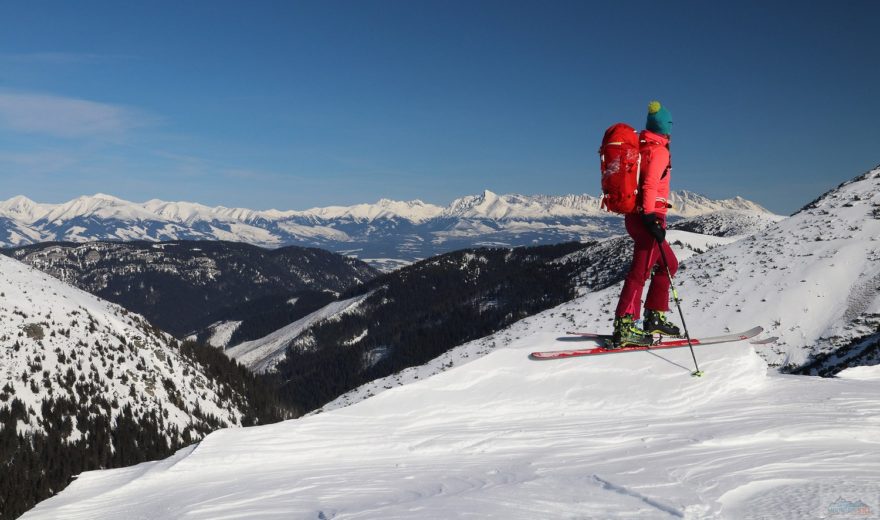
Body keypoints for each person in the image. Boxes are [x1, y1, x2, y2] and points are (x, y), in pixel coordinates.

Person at [611, 101, 682, 348]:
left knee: (669, 264)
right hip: (648, 217)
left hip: (635, 216)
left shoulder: (642, 147)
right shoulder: (658, 151)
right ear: (666, 127)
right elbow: (650, 184)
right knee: (640, 273)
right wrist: (651, 216)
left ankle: (654, 316)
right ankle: (625, 324)